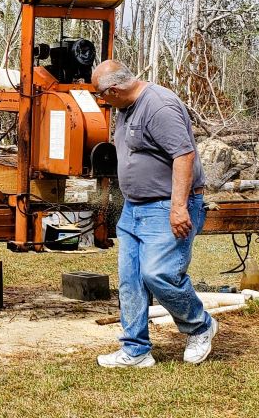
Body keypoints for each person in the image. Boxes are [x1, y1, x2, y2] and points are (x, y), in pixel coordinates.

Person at [91, 60, 215, 367]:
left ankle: (200, 326)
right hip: (135, 209)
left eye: (101, 94)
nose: (100, 100)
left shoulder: (159, 105)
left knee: (158, 274)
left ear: (114, 90)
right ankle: (135, 350)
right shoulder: (124, 109)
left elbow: (184, 155)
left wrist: (178, 207)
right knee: (130, 280)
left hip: (165, 207)